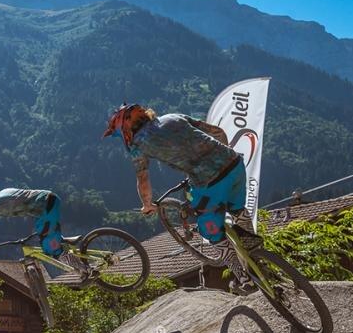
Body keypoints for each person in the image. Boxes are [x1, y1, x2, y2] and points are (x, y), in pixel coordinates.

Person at [103, 103, 257, 289]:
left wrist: (147, 204)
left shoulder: (138, 145)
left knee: (210, 229)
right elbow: (218, 132)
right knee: (237, 208)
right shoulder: (174, 116)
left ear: (124, 132)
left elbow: (143, 180)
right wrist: (221, 156)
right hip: (234, 163)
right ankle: (256, 253)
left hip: (209, 181)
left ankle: (243, 278)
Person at [0, 186, 82, 268]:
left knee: (50, 246)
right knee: (42, 231)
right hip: (48, 202)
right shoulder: (3, 192)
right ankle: (61, 241)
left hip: (46, 207)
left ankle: (83, 269)